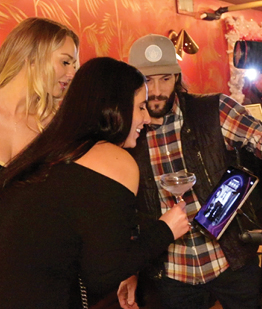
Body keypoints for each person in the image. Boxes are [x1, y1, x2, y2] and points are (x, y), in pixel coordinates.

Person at [117, 34, 262, 309]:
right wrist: (130, 270)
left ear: (177, 77)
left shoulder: (214, 109)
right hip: (171, 272)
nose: (155, 90)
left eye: (165, 78)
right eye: (146, 80)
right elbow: (125, 210)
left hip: (231, 259)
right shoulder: (126, 131)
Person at [0, 57, 190, 308]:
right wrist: (166, 229)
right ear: (115, 107)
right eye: (140, 107)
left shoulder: (53, 148)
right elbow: (103, 274)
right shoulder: (114, 159)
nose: (147, 118)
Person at [0, 17, 79, 168]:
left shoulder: (56, 125)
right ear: (32, 57)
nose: (72, 74)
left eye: (74, 66)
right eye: (65, 62)